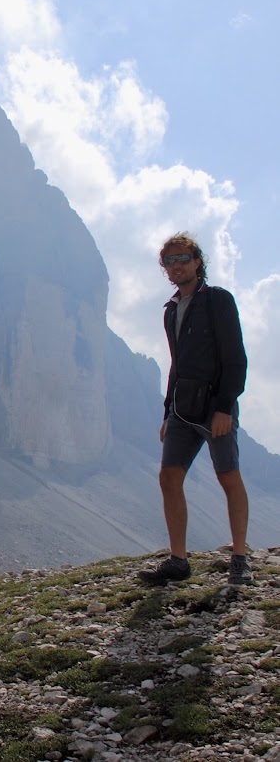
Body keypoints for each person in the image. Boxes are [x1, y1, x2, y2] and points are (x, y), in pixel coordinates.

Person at [138, 232, 252, 586]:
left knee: (228, 476)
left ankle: (240, 558)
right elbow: (178, 363)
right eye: (169, 261)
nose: (177, 266)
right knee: (169, 477)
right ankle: (178, 561)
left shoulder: (218, 300)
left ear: (197, 261)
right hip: (182, 409)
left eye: (183, 258)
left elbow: (235, 358)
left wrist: (225, 408)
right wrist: (167, 412)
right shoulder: (171, 309)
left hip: (215, 407)